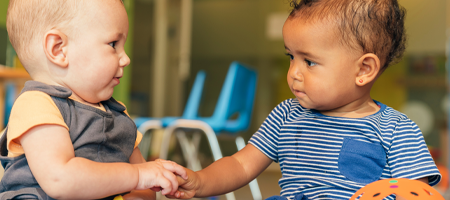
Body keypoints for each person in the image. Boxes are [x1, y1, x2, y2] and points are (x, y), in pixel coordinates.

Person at [169, 0, 442, 199]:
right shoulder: (287, 114)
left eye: (309, 62)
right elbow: (241, 164)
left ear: (363, 70)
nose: (294, 73)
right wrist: (200, 181)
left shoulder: (397, 129)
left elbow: (414, 191)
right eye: (291, 57)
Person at [0, 0, 187, 199]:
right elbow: (60, 180)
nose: (126, 58)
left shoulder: (118, 115)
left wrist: (150, 181)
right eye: (113, 44)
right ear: (58, 49)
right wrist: (138, 175)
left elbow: (145, 192)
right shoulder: (36, 105)